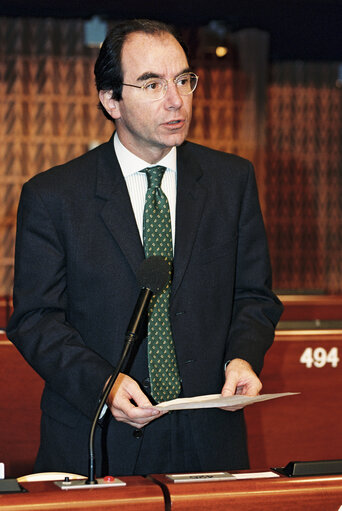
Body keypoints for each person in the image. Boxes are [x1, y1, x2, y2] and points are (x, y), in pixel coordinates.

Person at [7, 19, 283, 477]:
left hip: (209, 436)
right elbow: (34, 319)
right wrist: (105, 385)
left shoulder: (231, 182)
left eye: (183, 80)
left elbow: (254, 296)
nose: (176, 100)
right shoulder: (54, 195)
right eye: (152, 83)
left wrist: (243, 356)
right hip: (99, 436)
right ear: (111, 100)